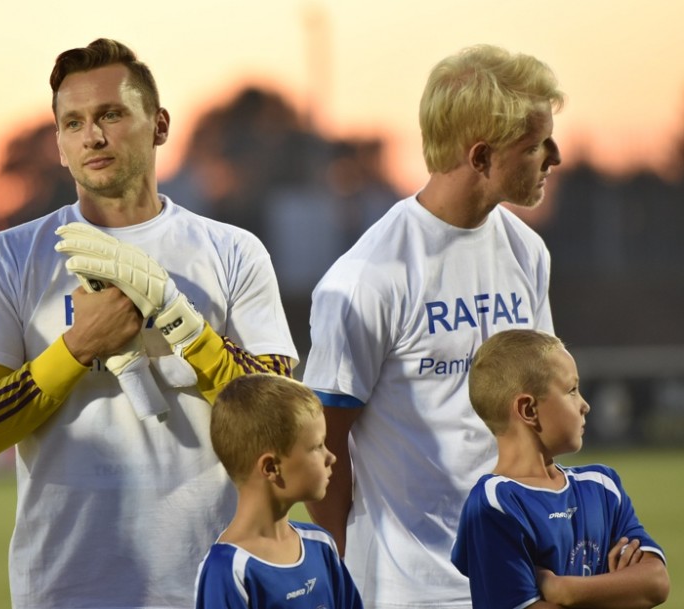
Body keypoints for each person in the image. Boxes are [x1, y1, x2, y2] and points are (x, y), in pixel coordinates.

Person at [0, 38, 298, 609]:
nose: (92, 136)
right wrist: (78, 346)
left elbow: (284, 425)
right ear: (59, 144)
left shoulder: (234, 251)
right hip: (63, 588)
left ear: (159, 125)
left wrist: (183, 324)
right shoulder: (10, 257)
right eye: (73, 123)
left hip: (210, 582)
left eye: (111, 115)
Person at [303, 44, 564, 608]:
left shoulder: (527, 252)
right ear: (481, 156)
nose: (555, 156)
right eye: (535, 145)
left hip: (519, 581)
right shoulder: (366, 278)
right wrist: (354, 564)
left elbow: (542, 413)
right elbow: (322, 442)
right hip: (409, 591)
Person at [452, 329, 670, 608]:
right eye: (572, 391)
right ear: (528, 410)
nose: (585, 405)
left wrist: (566, 590)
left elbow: (656, 582)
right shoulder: (495, 505)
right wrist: (618, 591)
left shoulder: (602, 485)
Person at [195, 374, 363, 609]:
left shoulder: (321, 543)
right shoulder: (228, 568)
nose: (331, 457)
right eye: (317, 446)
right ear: (271, 468)